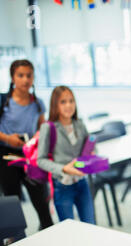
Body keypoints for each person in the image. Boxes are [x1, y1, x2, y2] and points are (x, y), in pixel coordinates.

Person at [0, 59, 53, 230]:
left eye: (29, 75)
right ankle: (14, 237)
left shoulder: (38, 103)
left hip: (29, 156)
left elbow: (42, 129)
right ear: (12, 77)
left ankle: (47, 231)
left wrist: (36, 140)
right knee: (12, 201)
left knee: (41, 199)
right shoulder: (0, 100)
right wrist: (8, 138)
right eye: (20, 75)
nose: (25, 80)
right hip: (5, 155)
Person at [37, 86, 95, 225]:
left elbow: (90, 147)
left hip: (82, 183)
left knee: (90, 225)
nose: (68, 105)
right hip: (62, 186)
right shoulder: (48, 127)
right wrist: (63, 169)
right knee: (69, 230)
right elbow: (41, 160)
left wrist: (92, 154)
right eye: (63, 102)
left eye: (71, 101)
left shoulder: (79, 124)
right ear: (55, 104)